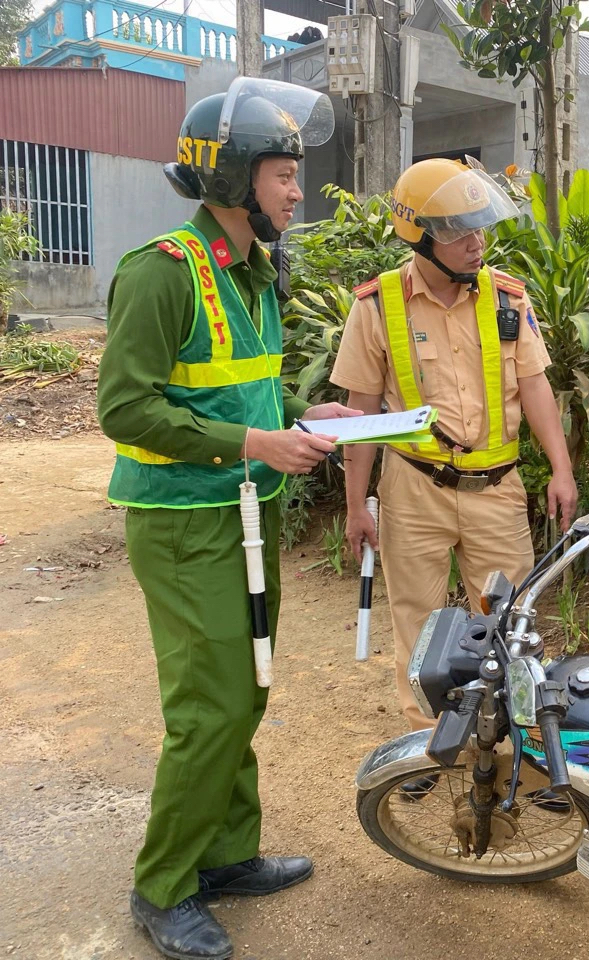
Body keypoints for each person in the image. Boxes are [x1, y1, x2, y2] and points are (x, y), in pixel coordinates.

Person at [97, 78, 356, 960]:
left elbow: (240, 389)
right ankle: (163, 884)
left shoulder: (255, 273)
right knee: (208, 708)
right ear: (236, 177)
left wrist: (297, 422)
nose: (297, 191)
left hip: (247, 509)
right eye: (285, 174)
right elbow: (125, 409)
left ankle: (226, 854)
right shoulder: (161, 272)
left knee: (245, 686)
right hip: (181, 523)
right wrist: (252, 443)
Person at [332, 157, 577, 733]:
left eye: (481, 226)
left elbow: (536, 386)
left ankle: (520, 744)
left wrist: (561, 470)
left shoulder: (508, 297)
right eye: (459, 232)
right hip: (413, 488)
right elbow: (361, 413)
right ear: (419, 236)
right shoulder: (377, 305)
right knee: (416, 620)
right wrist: (354, 504)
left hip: (497, 488)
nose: (477, 242)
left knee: (510, 622)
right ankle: (424, 739)